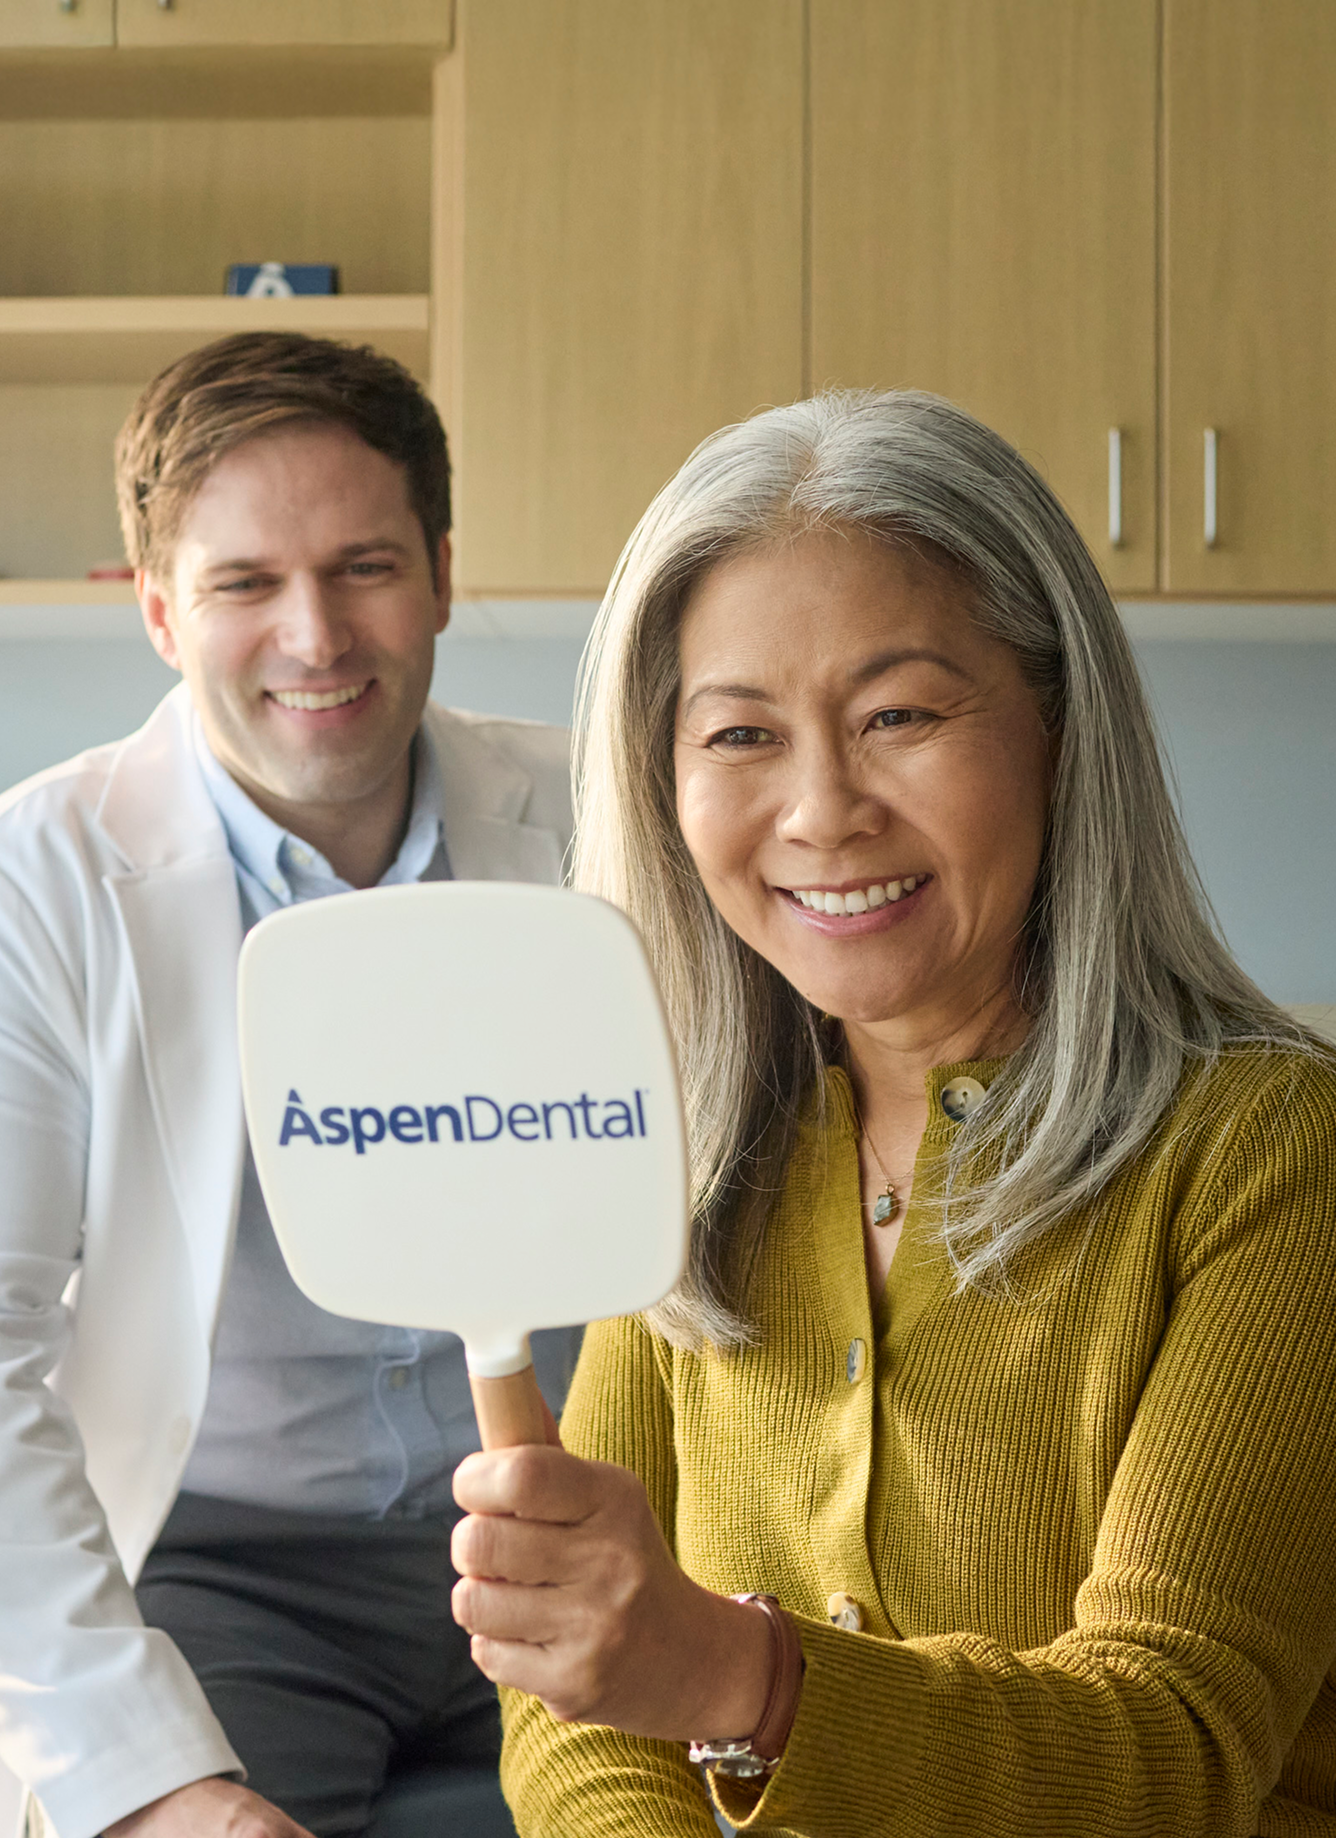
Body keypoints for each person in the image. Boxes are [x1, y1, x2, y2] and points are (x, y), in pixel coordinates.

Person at [450, 390, 1336, 1836]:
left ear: (1059, 727)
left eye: (900, 714)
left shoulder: (1272, 1149)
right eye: (740, 734)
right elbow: (580, 1714)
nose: (821, 809)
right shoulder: (692, 1154)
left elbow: (1177, 1743)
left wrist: (739, 1674)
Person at [0, 332, 581, 1838]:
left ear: (446, 574)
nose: (316, 633)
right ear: (158, 609)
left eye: (364, 565)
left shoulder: (606, 822)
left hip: (565, 1524)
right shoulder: (27, 880)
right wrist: (148, 1782)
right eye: (244, 584)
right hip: (220, 1566)